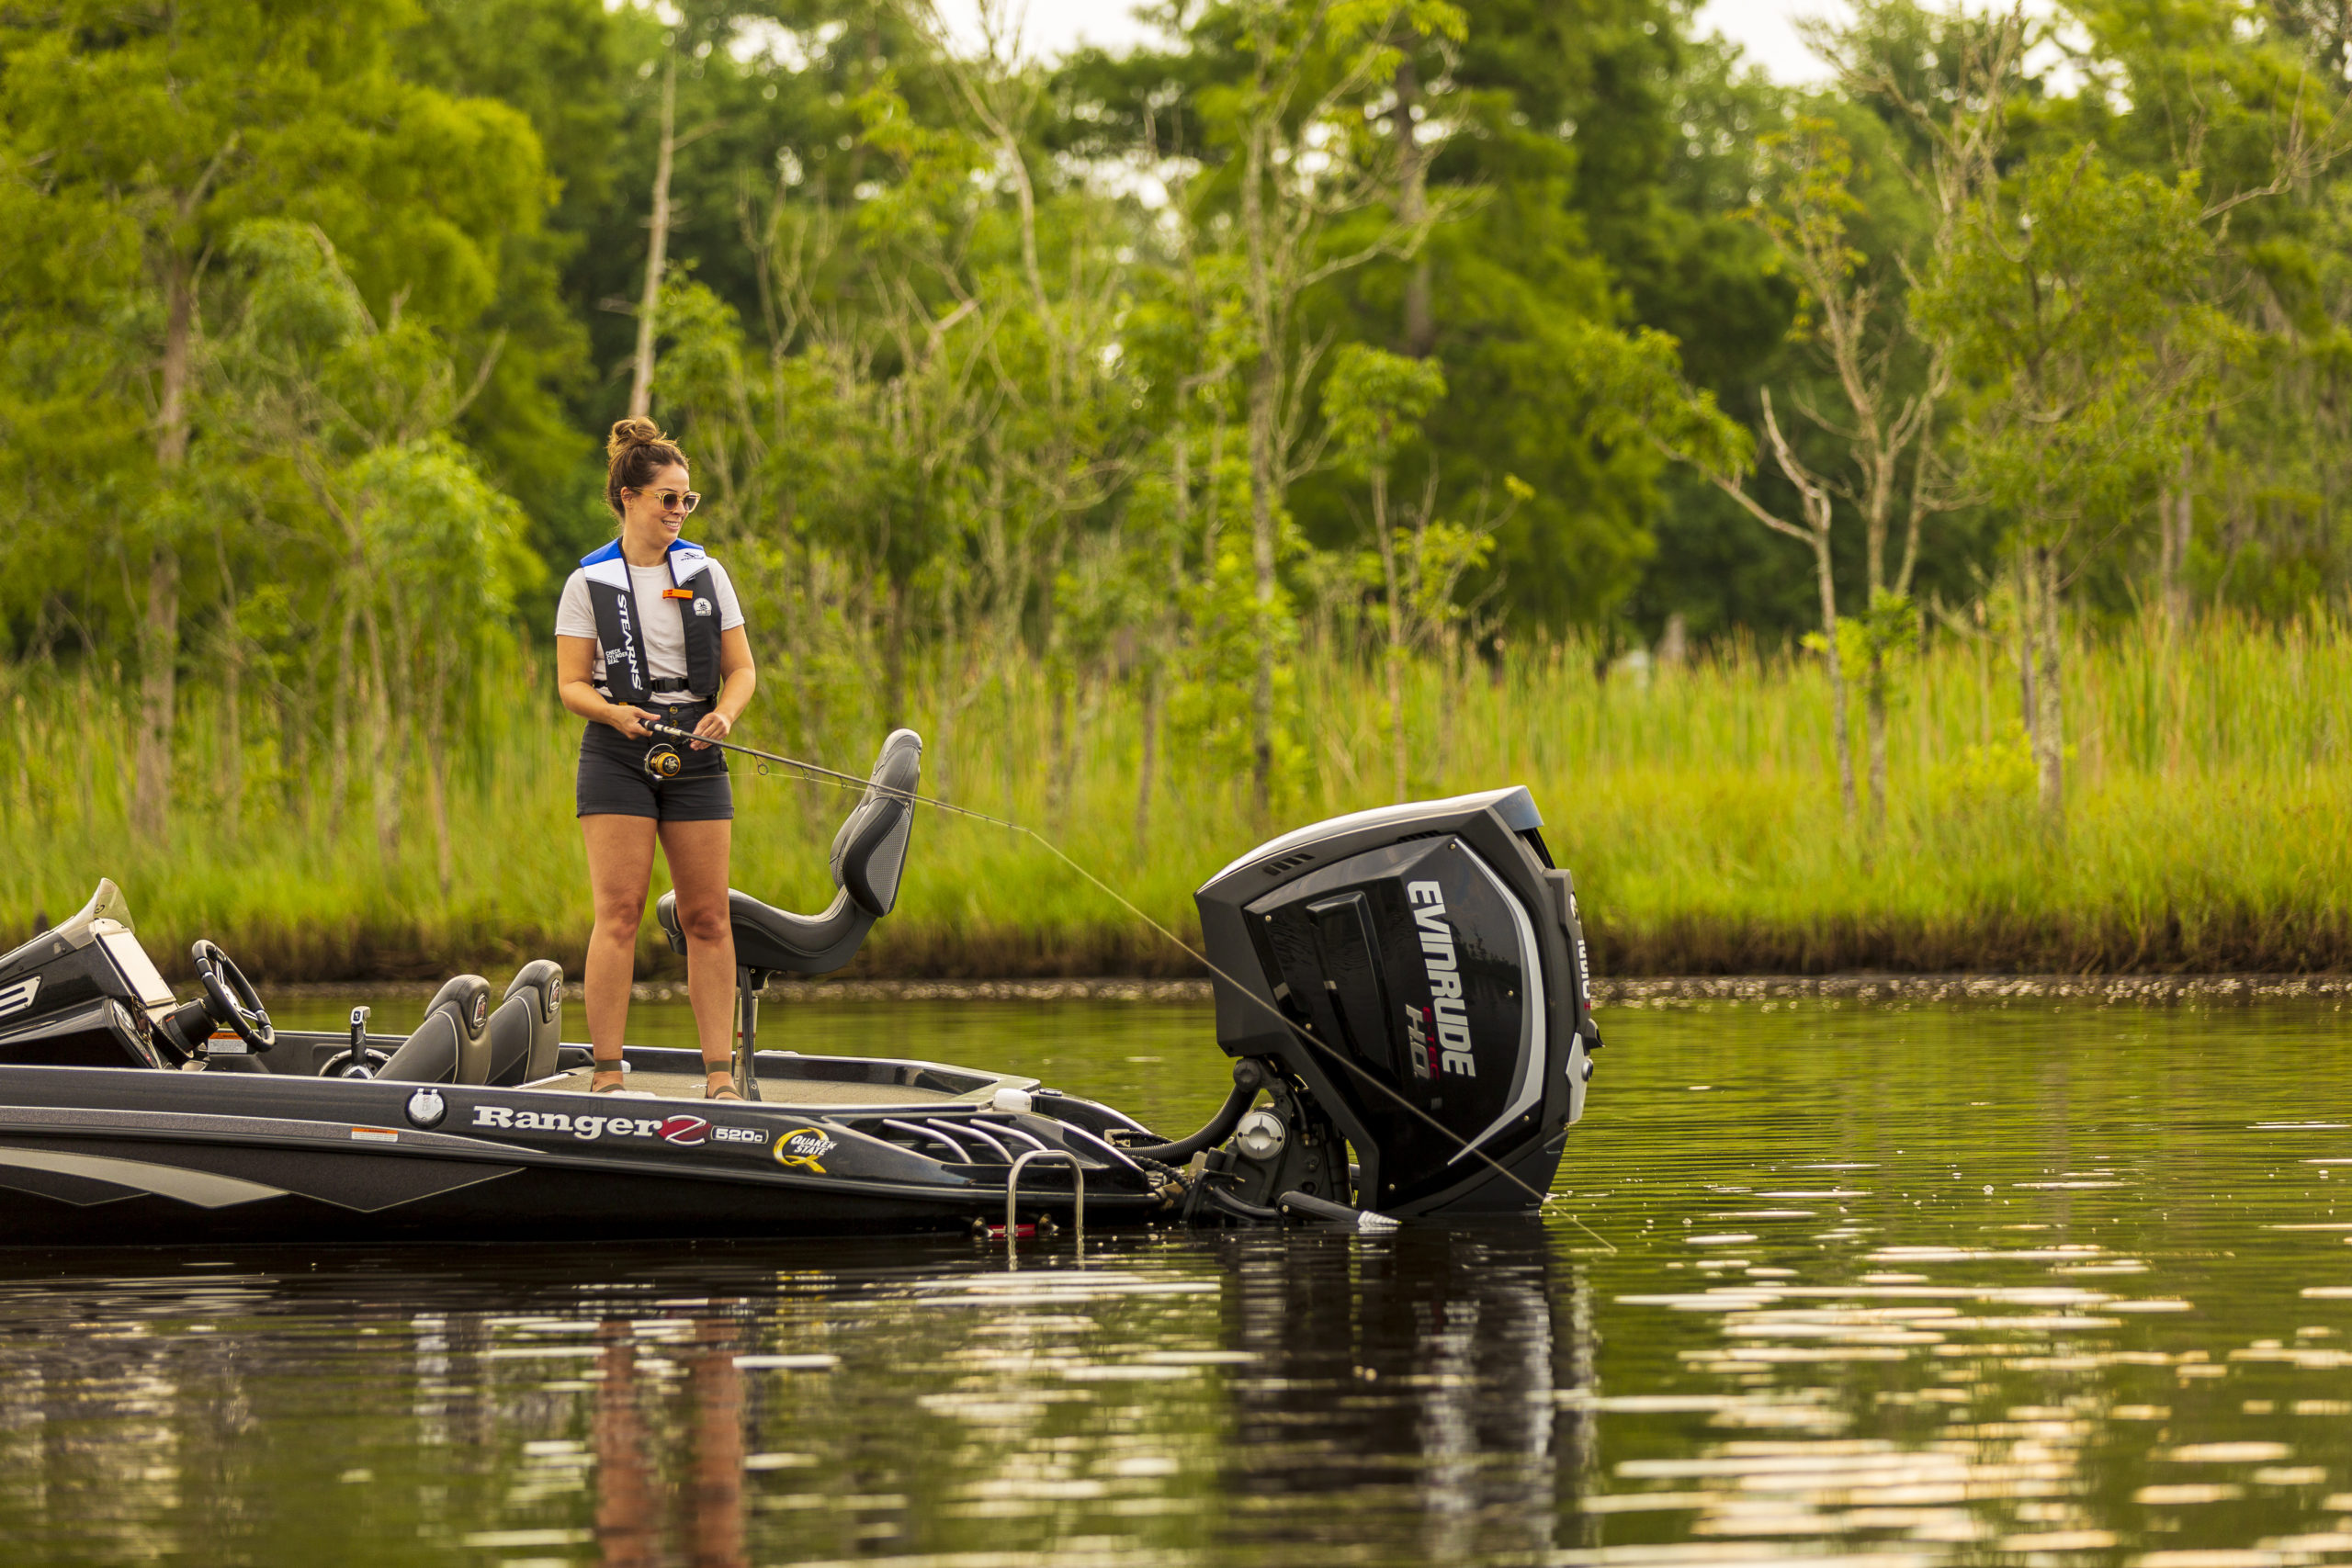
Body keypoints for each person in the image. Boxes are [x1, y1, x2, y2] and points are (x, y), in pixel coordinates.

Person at [555, 418, 757, 1099]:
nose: (679, 510)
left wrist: (724, 715)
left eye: (687, 500)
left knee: (708, 916)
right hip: (618, 748)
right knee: (619, 911)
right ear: (628, 497)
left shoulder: (707, 572)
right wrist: (613, 712)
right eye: (668, 497)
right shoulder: (588, 580)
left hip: (696, 747)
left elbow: (742, 670)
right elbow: (571, 683)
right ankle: (606, 1074)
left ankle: (719, 1079)